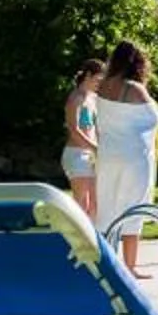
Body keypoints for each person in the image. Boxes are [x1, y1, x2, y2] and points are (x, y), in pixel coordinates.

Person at [90, 40, 158, 275]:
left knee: (106, 208)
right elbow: (153, 118)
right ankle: (130, 268)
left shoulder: (101, 87)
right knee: (133, 209)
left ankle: (107, 267)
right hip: (133, 156)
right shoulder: (134, 89)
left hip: (107, 155)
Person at [59, 58, 105, 220]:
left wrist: (98, 147)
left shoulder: (92, 98)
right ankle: (71, 241)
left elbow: (95, 127)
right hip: (77, 155)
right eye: (98, 79)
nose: (100, 83)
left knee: (95, 204)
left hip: (90, 155)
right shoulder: (75, 98)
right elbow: (74, 130)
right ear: (88, 75)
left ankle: (92, 241)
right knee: (81, 204)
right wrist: (96, 148)